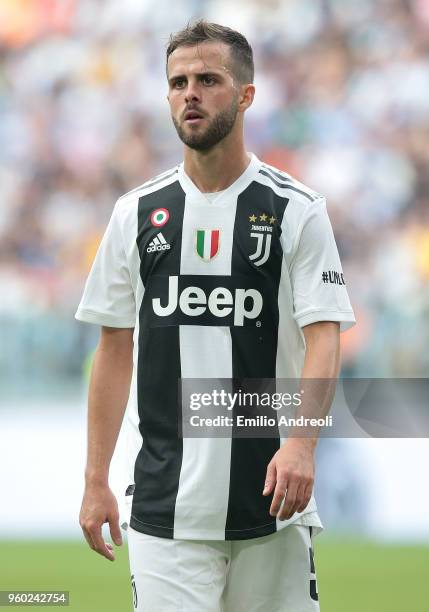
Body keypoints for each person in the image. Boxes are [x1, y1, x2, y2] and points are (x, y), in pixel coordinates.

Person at [75, 19, 355, 612]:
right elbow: (114, 349)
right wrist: (95, 479)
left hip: (272, 503)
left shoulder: (295, 210)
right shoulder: (135, 214)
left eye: (208, 79)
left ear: (247, 94)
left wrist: (301, 445)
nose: (189, 93)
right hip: (164, 509)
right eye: (177, 82)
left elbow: (325, 337)